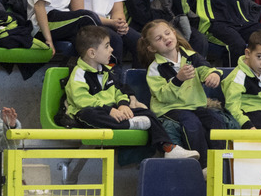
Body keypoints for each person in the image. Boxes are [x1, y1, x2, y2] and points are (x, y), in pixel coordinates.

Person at [66, 25, 200, 156]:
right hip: (89, 112)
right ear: (92, 53)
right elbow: (81, 100)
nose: (112, 49)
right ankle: (130, 124)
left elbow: (119, 91)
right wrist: (110, 110)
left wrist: (123, 105)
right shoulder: (79, 73)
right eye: (107, 46)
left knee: (147, 112)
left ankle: (168, 148)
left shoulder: (107, 71)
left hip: (114, 111)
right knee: (90, 114)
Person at [140, 19, 224, 164]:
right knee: (191, 123)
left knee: (216, 121)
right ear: (152, 48)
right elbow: (162, 95)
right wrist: (178, 79)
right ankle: (202, 166)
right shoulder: (155, 69)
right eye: (158, 38)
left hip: (194, 105)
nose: (166, 38)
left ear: (174, 33)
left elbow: (205, 69)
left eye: (167, 33)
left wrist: (213, 75)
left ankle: (220, 163)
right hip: (170, 108)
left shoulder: (191, 56)